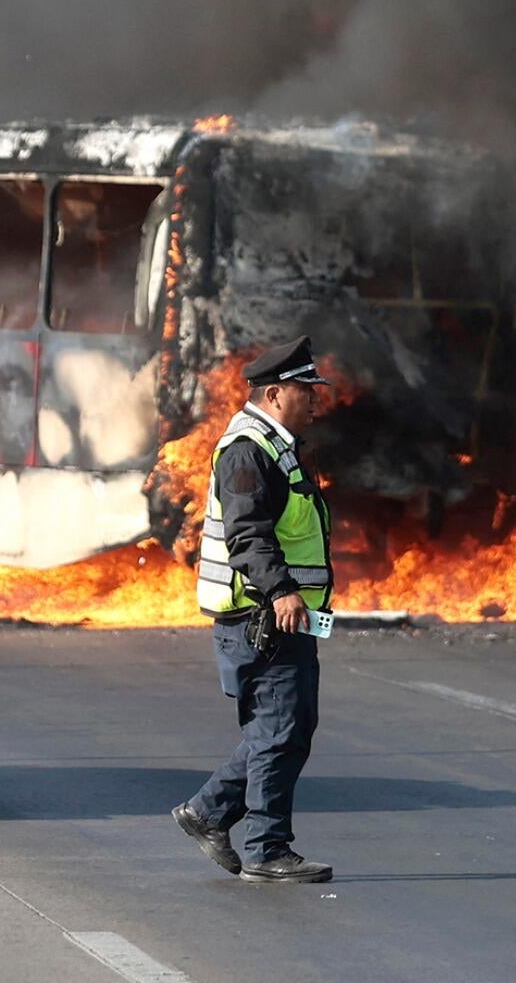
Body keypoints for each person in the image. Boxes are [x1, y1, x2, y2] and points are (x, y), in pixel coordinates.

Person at [173, 336, 335, 883]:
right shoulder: (248, 450)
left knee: (287, 727)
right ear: (273, 394)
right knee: (280, 729)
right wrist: (282, 590)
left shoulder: (277, 445)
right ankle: (266, 848)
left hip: (279, 619)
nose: (315, 399)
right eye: (305, 390)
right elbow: (248, 535)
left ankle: (208, 812)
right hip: (259, 620)